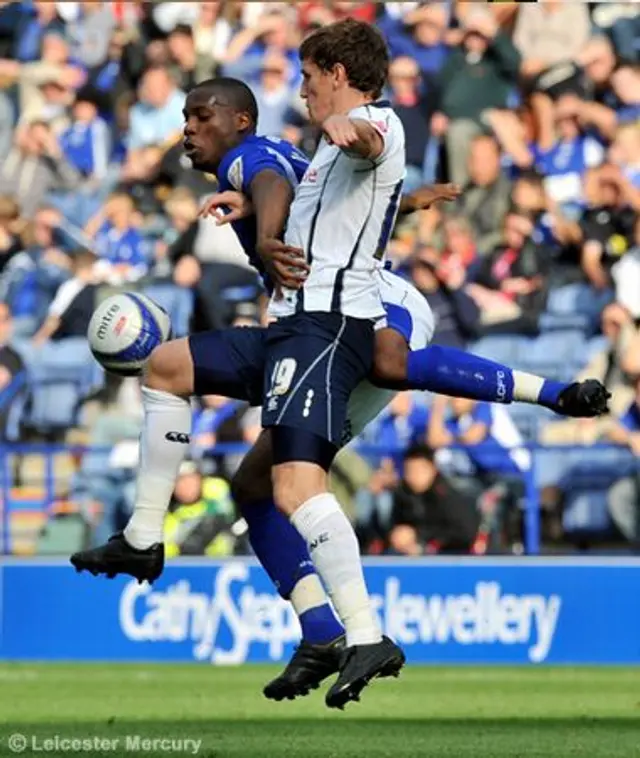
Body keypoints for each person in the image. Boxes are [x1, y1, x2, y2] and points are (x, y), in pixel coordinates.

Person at [72, 44, 610, 706]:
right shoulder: (285, 162)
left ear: (333, 77)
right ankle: (264, 599)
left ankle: (362, 630)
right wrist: (400, 203)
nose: (301, 92)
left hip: (340, 320)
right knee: (184, 389)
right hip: (303, 322)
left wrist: (273, 221)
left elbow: (334, 155)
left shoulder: (303, 141)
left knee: (309, 468)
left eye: (197, 115)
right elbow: (330, 195)